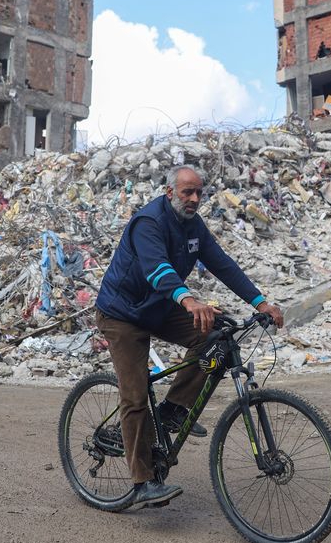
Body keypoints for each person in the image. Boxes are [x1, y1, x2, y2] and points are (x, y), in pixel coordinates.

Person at [95, 165, 285, 510]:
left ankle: (172, 409)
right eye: (187, 192)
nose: (195, 199)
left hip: (160, 306)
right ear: (170, 192)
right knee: (135, 397)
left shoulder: (193, 226)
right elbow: (156, 268)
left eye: (199, 192)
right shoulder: (148, 222)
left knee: (214, 337)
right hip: (123, 313)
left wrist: (260, 301)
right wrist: (187, 298)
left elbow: (222, 264)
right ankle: (141, 483)